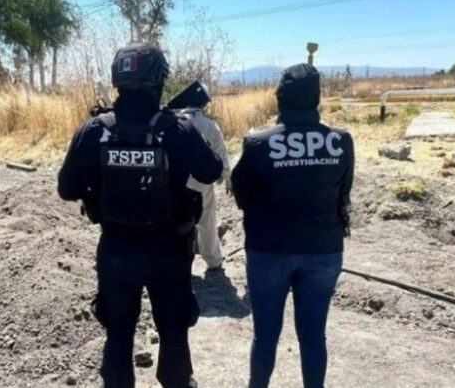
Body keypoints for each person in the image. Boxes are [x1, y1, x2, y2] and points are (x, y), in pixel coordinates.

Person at [58, 43, 222, 388]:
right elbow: (211, 171)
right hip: (169, 251)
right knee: (173, 329)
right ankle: (176, 380)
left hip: (116, 252)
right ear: (159, 80)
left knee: (118, 333)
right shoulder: (177, 129)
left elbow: (67, 189)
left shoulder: (93, 130)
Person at [231, 63, 354, 388]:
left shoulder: (257, 143)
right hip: (324, 250)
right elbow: (344, 192)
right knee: (313, 335)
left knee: (265, 336)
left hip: (268, 250)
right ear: (316, 97)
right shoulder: (341, 141)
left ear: (280, 97)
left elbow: (241, 196)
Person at [173, 81, 231, 270]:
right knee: (207, 220)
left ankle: (180, 260)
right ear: (202, 104)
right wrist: (227, 179)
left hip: (177, 181)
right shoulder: (210, 125)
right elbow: (222, 153)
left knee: (178, 220)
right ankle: (213, 260)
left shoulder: (173, 122)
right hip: (202, 181)